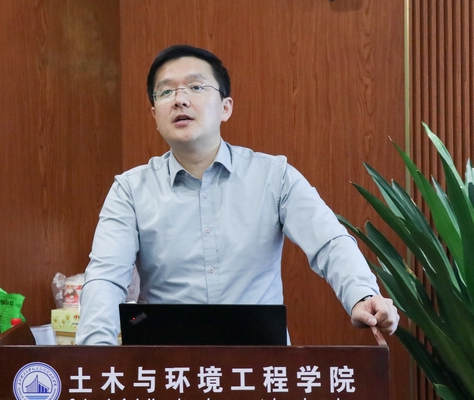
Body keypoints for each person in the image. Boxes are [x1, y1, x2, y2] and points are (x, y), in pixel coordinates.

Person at [75, 44, 399, 345]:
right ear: (155, 116)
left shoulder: (274, 176)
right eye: (166, 91)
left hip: (260, 365)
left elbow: (329, 242)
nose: (180, 99)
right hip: (169, 367)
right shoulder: (130, 190)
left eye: (196, 87)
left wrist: (361, 294)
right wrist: (92, 357)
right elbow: (106, 278)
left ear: (225, 108)